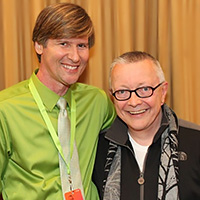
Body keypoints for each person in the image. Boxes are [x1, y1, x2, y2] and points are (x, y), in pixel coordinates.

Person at [0, 3, 116, 200]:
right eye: (64, 43)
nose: (74, 56)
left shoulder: (97, 102)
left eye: (82, 45)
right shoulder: (6, 109)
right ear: (39, 45)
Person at [93, 51, 200, 200]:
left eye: (144, 89)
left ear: (163, 92)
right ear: (113, 97)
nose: (134, 102)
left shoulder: (195, 142)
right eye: (123, 91)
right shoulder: (98, 149)